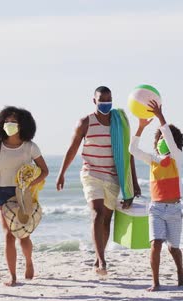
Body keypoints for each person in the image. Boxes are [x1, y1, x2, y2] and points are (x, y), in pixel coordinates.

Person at [56, 86, 141, 276]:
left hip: (112, 176)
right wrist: (61, 173)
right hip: (91, 173)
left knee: (106, 220)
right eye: (102, 100)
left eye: (109, 100)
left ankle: (98, 256)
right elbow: (72, 149)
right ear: (94, 101)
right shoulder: (85, 122)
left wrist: (133, 183)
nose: (106, 104)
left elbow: (129, 155)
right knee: (96, 213)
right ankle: (102, 261)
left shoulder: (119, 122)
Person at [0, 106, 49, 286]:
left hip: (22, 194)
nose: (10, 124)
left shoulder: (30, 147)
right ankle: (12, 275)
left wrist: (30, 184)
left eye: (14, 122)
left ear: (22, 124)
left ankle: (29, 262)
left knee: (23, 235)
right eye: (7, 121)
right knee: (8, 233)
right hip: (1, 193)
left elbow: (44, 171)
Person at [128, 100, 183, 291]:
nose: (162, 140)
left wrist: (161, 118)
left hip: (174, 209)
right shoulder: (153, 160)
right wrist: (140, 127)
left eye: (165, 138)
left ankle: (180, 273)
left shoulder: (177, 157)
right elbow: (133, 150)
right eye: (159, 137)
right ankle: (155, 282)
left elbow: (169, 138)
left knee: (173, 248)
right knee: (156, 244)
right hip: (157, 209)